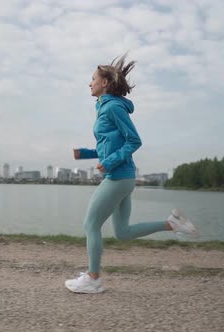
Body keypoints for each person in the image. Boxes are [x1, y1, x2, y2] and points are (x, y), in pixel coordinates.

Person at [65, 53, 199, 294]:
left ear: (104, 83)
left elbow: (134, 140)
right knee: (122, 233)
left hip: (118, 177)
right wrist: (85, 154)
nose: (90, 82)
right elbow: (110, 145)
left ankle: (93, 279)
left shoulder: (113, 107)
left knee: (90, 224)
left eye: (93, 79)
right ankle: (171, 224)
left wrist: (111, 163)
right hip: (122, 177)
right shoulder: (105, 107)